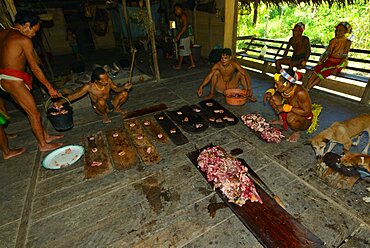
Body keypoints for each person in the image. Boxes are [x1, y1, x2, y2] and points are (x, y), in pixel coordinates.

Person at [0, 10, 63, 152]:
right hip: (13, 80)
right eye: (34, 31)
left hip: (3, 78)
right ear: (27, 25)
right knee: (34, 114)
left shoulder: (2, 33)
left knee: (29, 109)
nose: (34, 34)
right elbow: (35, 68)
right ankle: (43, 145)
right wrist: (50, 88)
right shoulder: (23, 40)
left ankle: (45, 136)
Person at [55, 67, 132, 124]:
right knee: (101, 100)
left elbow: (116, 89)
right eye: (103, 80)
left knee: (124, 93)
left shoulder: (108, 80)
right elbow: (74, 96)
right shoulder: (88, 87)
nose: (106, 81)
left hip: (110, 102)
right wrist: (60, 102)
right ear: (96, 80)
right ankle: (104, 115)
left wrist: (124, 87)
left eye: (107, 78)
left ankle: (116, 108)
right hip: (99, 107)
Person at [263, 69, 313, 142]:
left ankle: (296, 131)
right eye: (275, 83)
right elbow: (274, 89)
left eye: (277, 84)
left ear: (287, 84)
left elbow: (306, 112)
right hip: (290, 109)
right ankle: (282, 121)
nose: (275, 86)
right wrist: (269, 92)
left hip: (303, 118)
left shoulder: (300, 93)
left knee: (291, 118)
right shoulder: (284, 88)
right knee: (272, 98)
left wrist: (284, 107)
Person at [305, 22, 352, 91]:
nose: (337, 32)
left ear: (345, 32)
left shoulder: (347, 42)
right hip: (329, 61)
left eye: (340, 30)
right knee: (315, 72)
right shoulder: (332, 41)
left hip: (338, 63)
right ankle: (307, 88)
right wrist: (320, 63)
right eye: (336, 30)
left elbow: (344, 56)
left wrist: (337, 67)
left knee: (321, 75)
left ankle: (308, 88)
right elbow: (327, 53)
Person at [173, 3, 196, 70]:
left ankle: (179, 65)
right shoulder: (180, 16)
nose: (175, 12)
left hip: (184, 36)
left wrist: (178, 35)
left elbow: (185, 27)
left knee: (182, 50)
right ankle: (193, 64)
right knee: (188, 51)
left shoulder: (183, 16)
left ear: (179, 9)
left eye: (176, 10)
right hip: (185, 36)